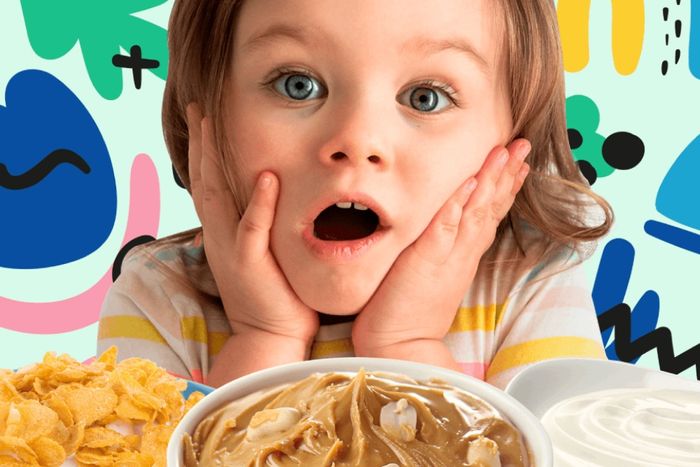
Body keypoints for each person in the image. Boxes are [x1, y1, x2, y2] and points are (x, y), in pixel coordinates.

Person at [97, 0, 614, 390]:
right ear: (205, 110)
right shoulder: (158, 295)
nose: (357, 139)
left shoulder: (532, 284)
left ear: (511, 142)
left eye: (425, 98)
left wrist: (406, 345)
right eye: (297, 84)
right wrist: (263, 338)